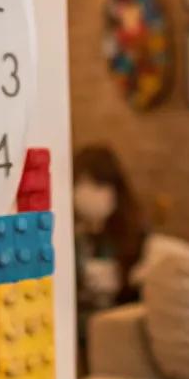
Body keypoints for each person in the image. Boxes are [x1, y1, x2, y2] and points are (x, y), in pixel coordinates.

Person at [73, 144, 146, 362]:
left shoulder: (133, 235)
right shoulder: (68, 236)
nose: (88, 192)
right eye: (81, 184)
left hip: (115, 328)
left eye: (97, 184)